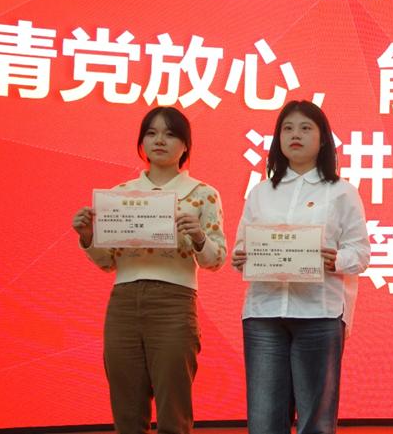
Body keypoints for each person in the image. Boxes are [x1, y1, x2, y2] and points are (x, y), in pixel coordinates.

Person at [71, 106, 227, 434]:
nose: (160, 140)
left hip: (174, 302)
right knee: (126, 408)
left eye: (170, 134)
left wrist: (199, 236)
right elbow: (107, 262)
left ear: (185, 146)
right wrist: (87, 237)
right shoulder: (120, 195)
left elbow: (216, 260)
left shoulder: (203, 194)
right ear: (141, 142)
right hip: (124, 301)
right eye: (151, 133)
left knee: (174, 407)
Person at [231, 100, 370, 434]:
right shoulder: (261, 192)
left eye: (306, 128)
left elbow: (361, 253)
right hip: (264, 312)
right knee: (264, 421)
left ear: (322, 140)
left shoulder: (341, 192)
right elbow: (241, 247)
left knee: (315, 422)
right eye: (288, 128)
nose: (295, 135)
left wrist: (335, 259)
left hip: (319, 313)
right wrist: (240, 257)